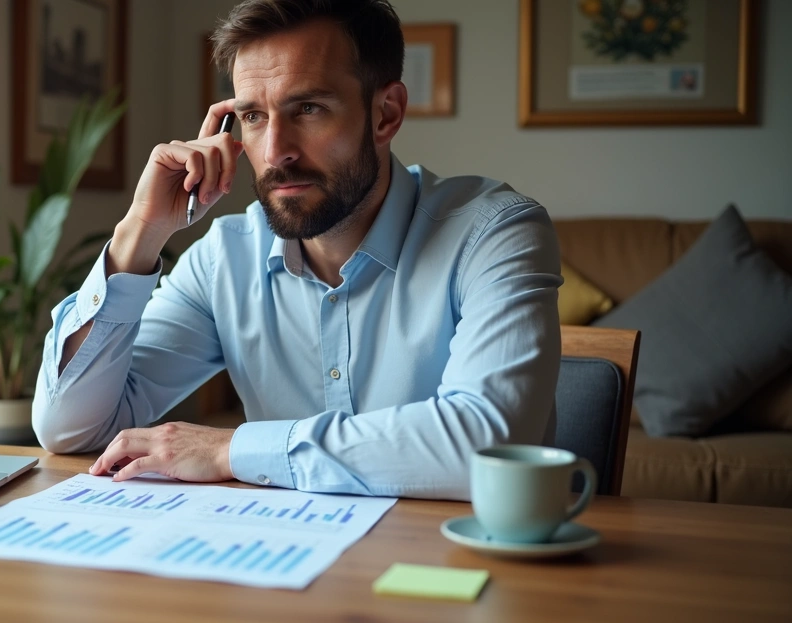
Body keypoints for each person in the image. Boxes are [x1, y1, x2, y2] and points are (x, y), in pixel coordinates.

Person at [32, 0, 562, 500]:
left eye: (307, 108)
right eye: (253, 117)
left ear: (386, 114)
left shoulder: (494, 233)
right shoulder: (225, 260)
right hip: (288, 567)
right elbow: (70, 428)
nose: (274, 152)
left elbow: (489, 445)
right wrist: (140, 232)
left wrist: (230, 449)